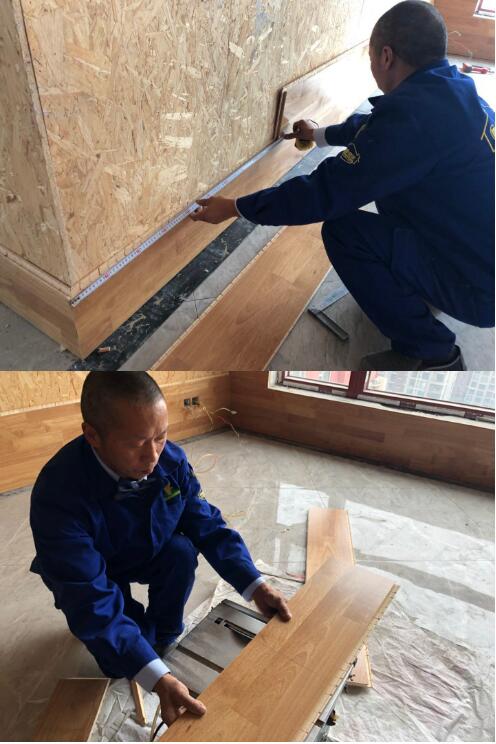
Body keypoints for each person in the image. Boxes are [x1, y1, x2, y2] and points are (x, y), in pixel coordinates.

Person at [191, 0, 494, 371]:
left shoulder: (414, 121)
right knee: (398, 192)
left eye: (371, 58)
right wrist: (320, 134)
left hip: (480, 288)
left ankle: (433, 353)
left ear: (386, 56)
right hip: (479, 253)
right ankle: (422, 284)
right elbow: (379, 127)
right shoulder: (451, 91)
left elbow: (325, 192)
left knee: (345, 232)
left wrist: (237, 207)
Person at [30, 372, 291, 726]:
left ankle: (164, 637)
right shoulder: (58, 495)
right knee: (119, 659)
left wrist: (254, 584)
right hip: (96, 569)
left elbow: (207, 524)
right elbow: (90, 597)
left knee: (180, 553)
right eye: (136, 443)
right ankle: (148, 648)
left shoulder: (171, 461)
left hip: (145, 547)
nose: (152, 456)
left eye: (161, 436)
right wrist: (153, 674)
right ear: (92, 436)